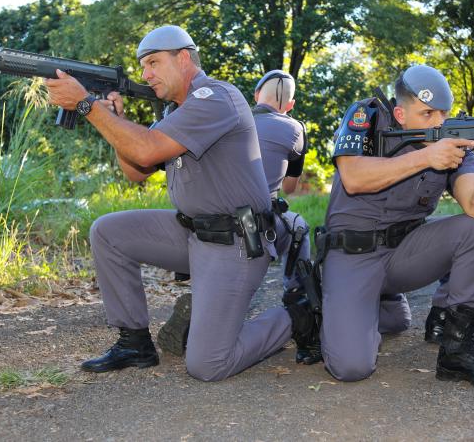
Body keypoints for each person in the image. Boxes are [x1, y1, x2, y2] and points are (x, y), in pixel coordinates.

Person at [44, 25, 318, 382]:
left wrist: (87, 105)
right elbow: (136, 170)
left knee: (208, 364)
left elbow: (146, 148)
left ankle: (299, 316)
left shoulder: (216, 97)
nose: (146, 74)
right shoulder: (176, 112)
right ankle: (134, 343)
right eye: (143, 66)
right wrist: (115, 119)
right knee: (108, 232)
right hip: (193, 233)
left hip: (234, 242)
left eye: (154, 63)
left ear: (184, 58)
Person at [319, 64, 474, 388]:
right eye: (426, 114)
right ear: (400, 114)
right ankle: (329, 307)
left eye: (443, 113)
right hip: (352, 255)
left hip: (402, 255)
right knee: (352, 366)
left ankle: (456, 350)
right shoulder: (367, 117)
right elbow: (353, 178)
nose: (438, 122)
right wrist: (426, 158)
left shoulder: (453, 143)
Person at [251, 70, 320, 364]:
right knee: (299, 229)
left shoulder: (232, 119)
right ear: (290, 106)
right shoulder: (294, 128)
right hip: (260, 220)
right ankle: (298, 305)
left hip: (214, 214)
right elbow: (289, 188)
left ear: (255, 96)